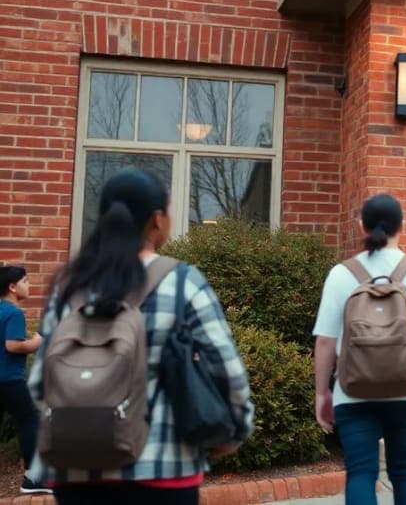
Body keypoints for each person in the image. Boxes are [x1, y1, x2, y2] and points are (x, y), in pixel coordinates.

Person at [28, 169, 254, 504]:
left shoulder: (70, 286)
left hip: (73, 468)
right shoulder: (181, 281)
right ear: (157, 220)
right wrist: (233, 432)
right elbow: (227, 370)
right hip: (163, 466)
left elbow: (38, 382)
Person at [313, 194, 406, 504]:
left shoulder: (341, 274)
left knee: (360, 473)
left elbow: (325, 341)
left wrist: (322, 392)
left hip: (353, 391)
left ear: (361, 225)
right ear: (402, 225)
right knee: (405, 473)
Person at [0, 264, 50, 495]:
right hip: (9, 379)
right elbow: (12, 345)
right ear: (12, 286)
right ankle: (33, 479)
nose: (29, 285)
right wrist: (36, 342)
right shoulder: (13, 312)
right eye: (26, 281)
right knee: (29, 420)